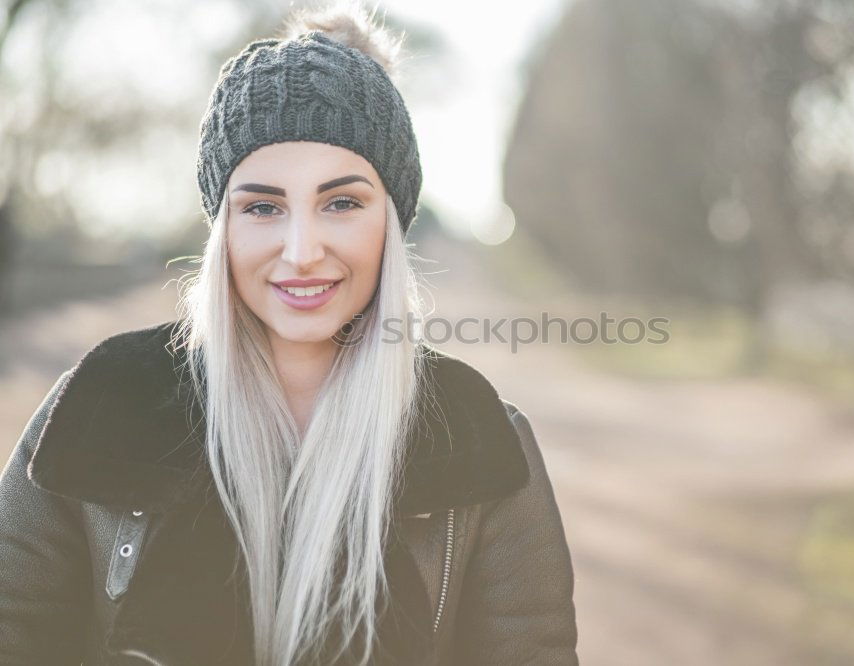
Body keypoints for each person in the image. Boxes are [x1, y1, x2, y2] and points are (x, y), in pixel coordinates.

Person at [0, 3, 578, 665]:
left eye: (341, 202)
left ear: (389, 221)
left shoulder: (479, 435)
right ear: (224, 229)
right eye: (263, 207)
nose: (302, 250)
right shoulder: (104, 401)